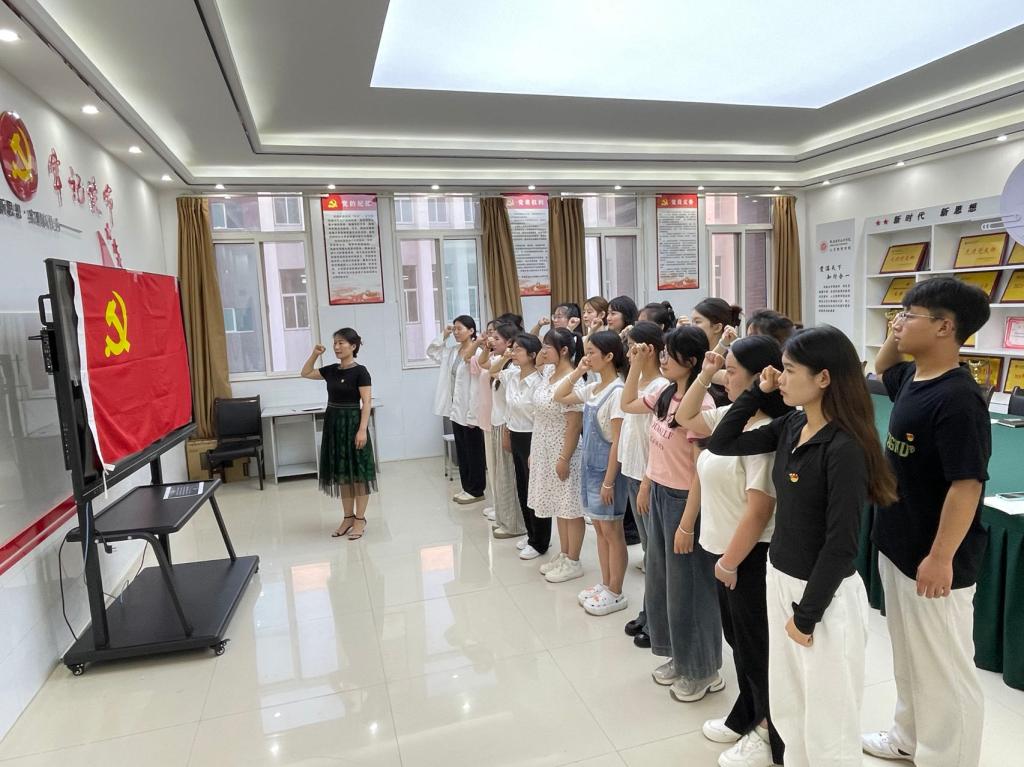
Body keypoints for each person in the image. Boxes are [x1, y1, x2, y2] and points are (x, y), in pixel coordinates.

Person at [708, 325, 898, 767]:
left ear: (824, 378)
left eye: (790, 370)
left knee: (828, 717)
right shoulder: (793, 424)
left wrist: (807, 615)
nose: (780, 377)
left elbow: (841, 543)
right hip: (780, 578)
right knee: (789, 704)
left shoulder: (845, 447)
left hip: (822, 598)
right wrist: (756, 392)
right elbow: (722, 442)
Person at [864, 278, 992, 767]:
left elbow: (967, 485)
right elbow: (883, 366)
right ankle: (908, 738)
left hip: (935, 558)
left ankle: (948, 757)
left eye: (909, 314)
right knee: (910, 657)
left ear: (945, 327)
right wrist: (898, 328)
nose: (897, 323)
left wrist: (941, 557)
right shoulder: (913, 378)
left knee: (944, 671)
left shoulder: (958, 399)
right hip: (900, 543)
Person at [676, 335, 790, 767]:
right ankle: (747, 712)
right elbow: (685, 416)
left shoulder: (766, 432)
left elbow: (759, 511)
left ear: (760, 377)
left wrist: (729, 561)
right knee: (737, 641)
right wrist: (706, 372)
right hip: (722, 551)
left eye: (731, 369)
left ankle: (768, 732)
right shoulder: (732, 417)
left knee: (756, 647)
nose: (725, 376)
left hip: (747, 555)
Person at [622, 326, 723, 703]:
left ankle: (704, 670)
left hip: (685, 503)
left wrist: (686, 524)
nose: (663, 359)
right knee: (665, 584)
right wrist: (636, 363)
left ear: (692, 361)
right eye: (662, 352)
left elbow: (700, 473)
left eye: (670, 354)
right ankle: (682, 658)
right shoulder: (665, 393)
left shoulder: (702, 407)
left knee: (692, 589)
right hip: (661, 494)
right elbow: (627, 404)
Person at [554, 331, 630, 615]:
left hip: (608, 473)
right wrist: (578, 371)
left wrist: (609, 482)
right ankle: (606, 583)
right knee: (599, 529)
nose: (587, 357)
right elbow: (559, 395)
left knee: (612, 530)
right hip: (591, 469)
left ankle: (616, 591)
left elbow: (617, 443)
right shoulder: (594, 387)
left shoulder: (618, 392)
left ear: (609, 356)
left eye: (591, 353)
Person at [618, 322, 668, 647]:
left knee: (654, 554)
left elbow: (656, 441)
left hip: (648, 476)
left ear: (647, 349)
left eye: (633, 347)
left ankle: (656, 621)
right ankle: (649, 612)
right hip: (633, 471)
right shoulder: (637, 381)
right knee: (650, 552)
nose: (627, 353)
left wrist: (647, 482)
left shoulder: (661, 386)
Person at [301, 328, 377, 540]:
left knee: (359, 475)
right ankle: (347, 517)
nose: (336, 347)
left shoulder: (361, 371)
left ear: (353, 346)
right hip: (334, 424)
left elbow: (366, 402)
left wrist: (362, 430)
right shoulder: (332, 370)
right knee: (343, 474)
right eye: (335, 343)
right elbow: (305, 372)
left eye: (341, 343)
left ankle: (360, 519)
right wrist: (315, 354)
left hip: (353, 424)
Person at [527, 328, 586, 578]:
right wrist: (534, 451)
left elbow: (574, 425)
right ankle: (564, 554)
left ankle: (574, 561)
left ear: (563, 350)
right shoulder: (549, 372)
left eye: (547, 347)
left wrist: (564, 458)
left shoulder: (574, 380)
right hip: (543, 446)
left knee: (570, 507)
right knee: (558, 505)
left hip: (564, 449)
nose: (542, 351)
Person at [427, 315, 486, 504]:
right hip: (455, 409)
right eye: (454, 329)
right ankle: (466, 487)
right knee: (462, 450)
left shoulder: (478, 353)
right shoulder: (452, 352)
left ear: (471, 330)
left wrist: (472, 414)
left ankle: (476, 490)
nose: (456, 332)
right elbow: (432, 351)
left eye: (460, 329)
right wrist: (443, 335)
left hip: (470, 410)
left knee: (474, 450)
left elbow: (476, 386)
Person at [500, 333, 546, 556]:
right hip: (516, 434)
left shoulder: (539, 382)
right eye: (513, 348)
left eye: (519, 349)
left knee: (536, 490)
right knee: (522, 487)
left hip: (533, 437)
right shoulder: (512, 375)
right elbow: (491, 370)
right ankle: (531, 535)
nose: (513, 352)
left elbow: (540, 418)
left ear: (532, 355)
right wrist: (507, 431)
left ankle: (540, 541)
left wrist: (535, 448)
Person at [483, 323, 525, 539]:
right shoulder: (503, 364)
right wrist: (504, 356)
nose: (492, 341)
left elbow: (512, 404)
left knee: (508, 477)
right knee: (500, 476)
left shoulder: (514, 370)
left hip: (506, 426)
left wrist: (507, 431)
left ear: (509, 343)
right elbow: (490, 370)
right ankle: (504, 519)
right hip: (497, 423)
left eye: (497, 338)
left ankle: (514, 524)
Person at [690, 298, 743, 407]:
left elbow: (705, 372)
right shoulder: (695, 353)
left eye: (697, 322)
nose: (692, 327)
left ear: (717, 327)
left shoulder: (732, 359)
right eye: (692, 322)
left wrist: (722, 345)